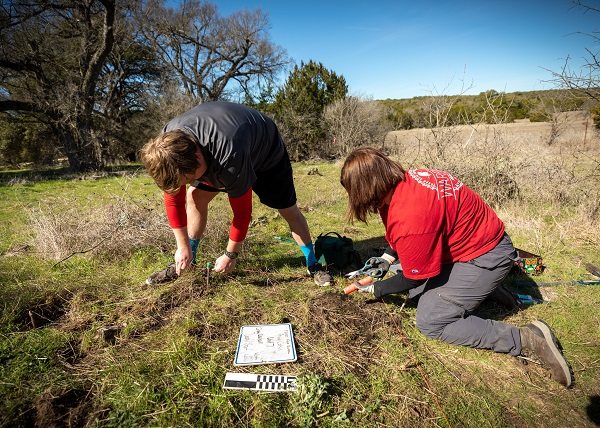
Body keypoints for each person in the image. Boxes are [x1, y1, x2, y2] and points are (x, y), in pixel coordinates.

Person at [340, 147, 573, 388]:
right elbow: (402, 235)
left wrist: (377, 289)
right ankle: (487, 289)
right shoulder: (410, 178)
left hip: (484, 257)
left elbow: (413, 277)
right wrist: (388, 258)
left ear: (367, 187)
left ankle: (526, 339)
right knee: (417, 291)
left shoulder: (411, 214)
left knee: (431, 320)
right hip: (479, 246)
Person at [140, 101, 332, 287]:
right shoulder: (166, 149)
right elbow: (174, 200)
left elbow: (242, 213)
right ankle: (189, 258)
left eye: (189, 178)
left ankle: (313, 263)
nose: (191, 183)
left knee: (287, 209)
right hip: (220, 147)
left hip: (266, 153)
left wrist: (230, 255)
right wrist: (182, 247)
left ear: (197, 157)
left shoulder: (229, 154)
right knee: (195, 196)